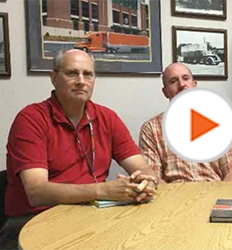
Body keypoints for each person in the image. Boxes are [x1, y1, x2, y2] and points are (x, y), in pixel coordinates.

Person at [2, 49, 158, 248]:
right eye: (72, 73)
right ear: (53, 78)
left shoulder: (107, 117)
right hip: (33, 222)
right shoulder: (31, 119)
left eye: (88, 74)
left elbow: (141, 167)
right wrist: (103, 190)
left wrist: (145, 183)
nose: (81, 81)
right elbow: (37, 192)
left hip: (92, 214)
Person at [139, 63, 232, 183]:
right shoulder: (151, 129)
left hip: (215, 193)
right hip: (174, 196)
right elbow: (153, 177)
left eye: (185, 78)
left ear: (194, 84)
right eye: (173, 81)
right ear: (165, 92)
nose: (181, 85)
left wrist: (222, 198)